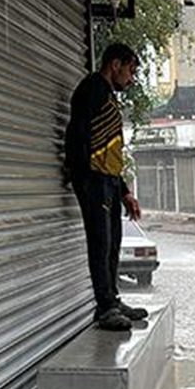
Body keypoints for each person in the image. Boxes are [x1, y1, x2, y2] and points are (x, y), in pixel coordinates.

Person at [65, 43, 148, 331]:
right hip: (94, 179)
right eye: (130, 70)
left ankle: (112, 298)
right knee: (100, 243)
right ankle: (105, 307)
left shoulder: (108, 95)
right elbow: (76, 134)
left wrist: (123, 189)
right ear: (115, 64)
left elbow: (109, 149)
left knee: (112, 243)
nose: (131, 77)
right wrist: (82, 174)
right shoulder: (93, 89)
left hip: (108, 180)